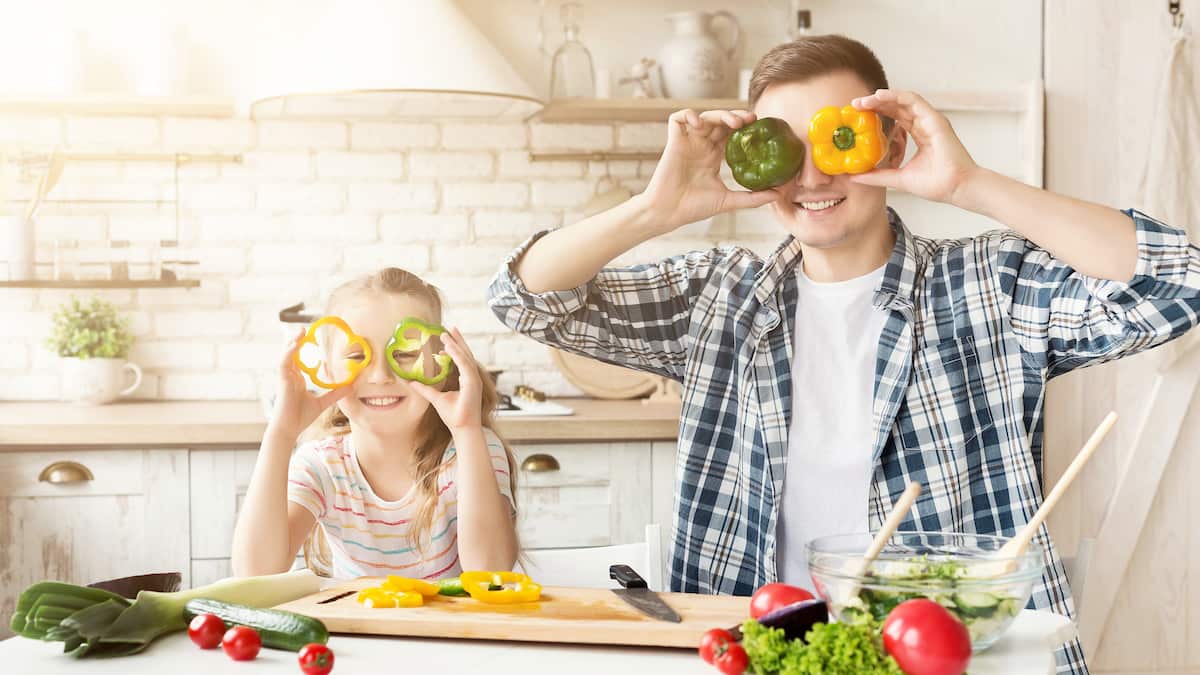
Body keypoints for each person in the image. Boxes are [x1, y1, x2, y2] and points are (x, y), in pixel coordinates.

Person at [486, 34, 1200, 674]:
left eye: (837, 142)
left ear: (889, 145)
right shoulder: (719, 296)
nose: (812, 178)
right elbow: (524, 297)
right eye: (786, 149)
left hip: (950, 656)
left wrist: (968, 184)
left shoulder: (987, 285)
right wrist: (655, 209)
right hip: (764, 652)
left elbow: (1181, 284)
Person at [233, 267, 518, 581]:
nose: (381, 375)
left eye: (405, 354)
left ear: (440, 362)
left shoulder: (473, 449)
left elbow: (491, 571)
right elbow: (255, 572)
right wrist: (281, 433)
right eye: (357, 355)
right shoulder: (323, 465)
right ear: (327, 371)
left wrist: (467, 432)